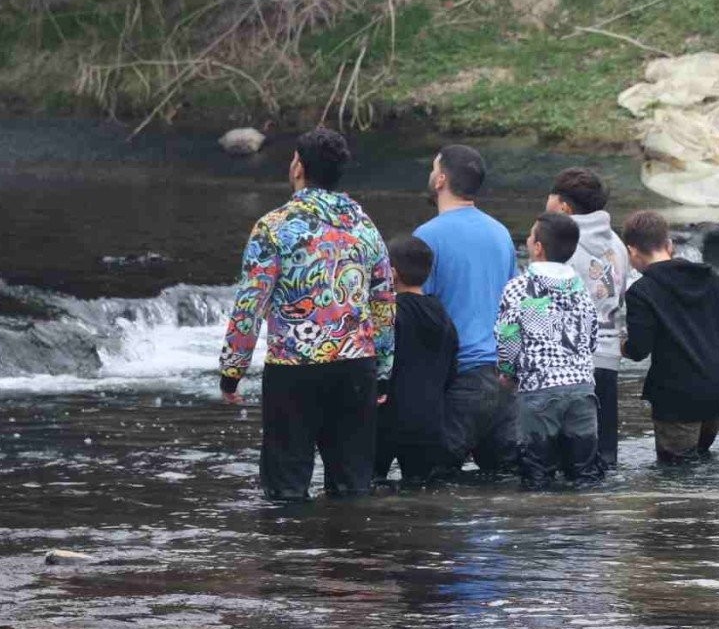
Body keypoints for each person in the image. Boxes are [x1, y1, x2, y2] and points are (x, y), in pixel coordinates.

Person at [219, 127, 396, 500]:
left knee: (285, 489)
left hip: (293, 370)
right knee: (352, 487)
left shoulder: (274, 227)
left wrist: (232, 371)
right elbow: (383, 302)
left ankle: (290, 557)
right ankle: (348, 553)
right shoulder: (366, 226)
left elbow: (250, 304)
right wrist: (382, 373)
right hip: (355, 367)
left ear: (298, 166)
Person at [414, 144, 518, 478]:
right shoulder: (500, 233)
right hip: (503, 381)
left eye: (433, 169)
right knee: (503, 484)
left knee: (431, 482)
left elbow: (414, 311)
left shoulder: (428, 237)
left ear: (441, 179)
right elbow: (513, 305)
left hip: (459, 380)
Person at [619, 209, 719, 465]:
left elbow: (639, 348)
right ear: (669, 244)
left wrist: (621, 346)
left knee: (676, 475)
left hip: (678, 396)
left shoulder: (641, 292)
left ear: (632, 251)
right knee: (702, 462)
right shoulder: (709, 277)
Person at [496, 212, 602, 488]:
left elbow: (509, 337)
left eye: (531, 236)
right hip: (582, 390)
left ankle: (538, 528)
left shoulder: (520, 288)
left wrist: (507, 373)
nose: (529, 240)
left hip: (539, 392)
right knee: (585, 476)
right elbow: (591, 340)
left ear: (538, 247)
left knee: (537, 476)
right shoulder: (581, 290)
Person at [546, 168, 630, 471]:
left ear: (564, 206)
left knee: (565, 461)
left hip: (570, 363)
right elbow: (620, 298)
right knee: (603, 458)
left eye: (551, 197)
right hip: (607, 358)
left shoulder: (559, 241)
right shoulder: (618, 245)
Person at [376, 234, 460, 488]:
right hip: (430, 421)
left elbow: (378, 363)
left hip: (386, 419)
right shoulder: (443, 315)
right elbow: (451, 370)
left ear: (392, 273)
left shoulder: (388, 314)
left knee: (369, 484)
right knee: (421, 489)